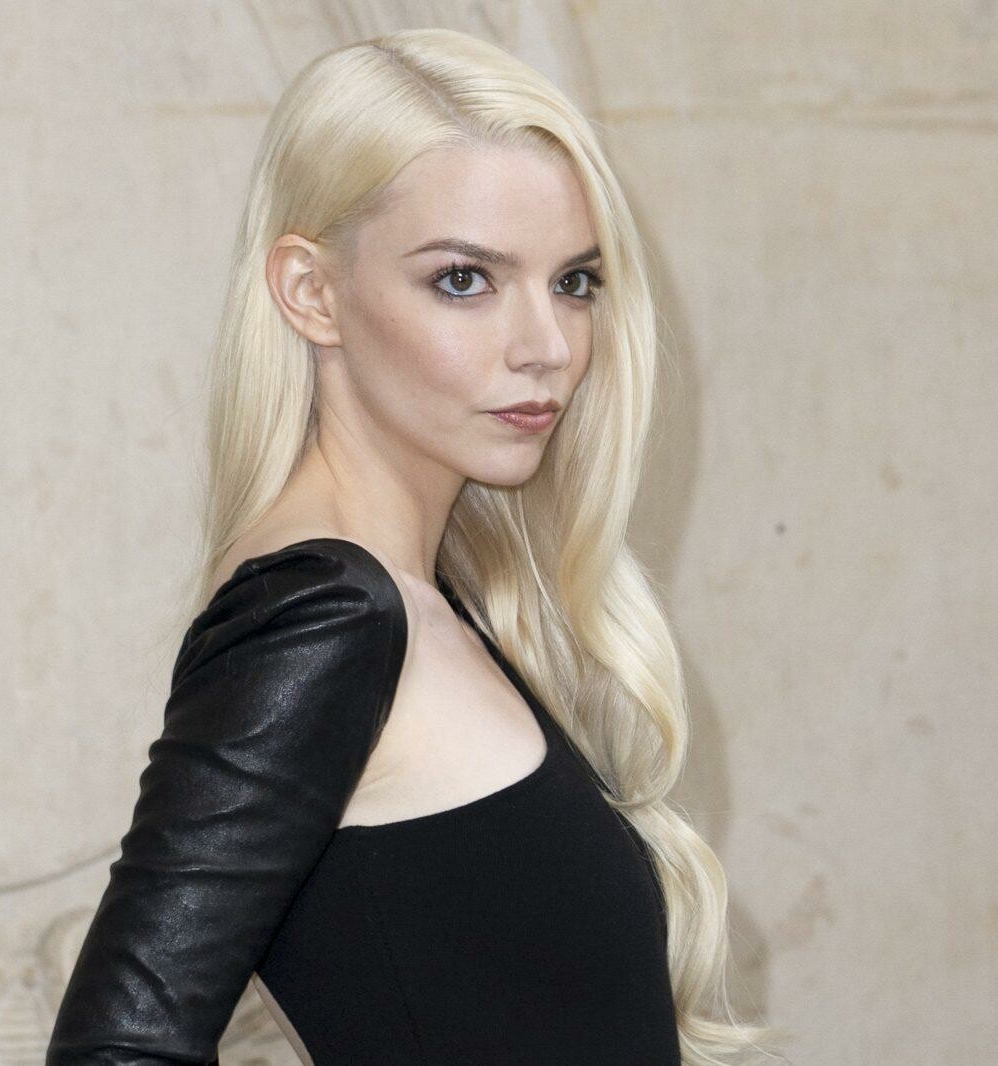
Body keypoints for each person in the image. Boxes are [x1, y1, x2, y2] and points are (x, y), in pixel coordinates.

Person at [45, 27, 787, 1066]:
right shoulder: (320, 620)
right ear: (311, 292)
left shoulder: (429, 600)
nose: (548, 347)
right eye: (464, 279)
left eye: (573, 282)